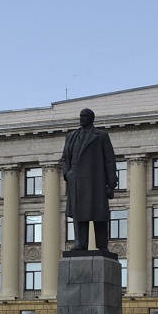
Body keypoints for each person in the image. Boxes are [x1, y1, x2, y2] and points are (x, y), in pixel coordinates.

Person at [60, 107, 118, 257]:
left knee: (99, 214)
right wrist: (67, 173)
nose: (82, 118)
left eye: (85, 116)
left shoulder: (101, 136)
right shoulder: (71, 136)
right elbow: (64, 158)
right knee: (79, 214)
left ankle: (102, 245)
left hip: (95, 181)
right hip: (76, 182)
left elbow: (109, 160)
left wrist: (111, 184)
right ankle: (80, 243)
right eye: (81, 115)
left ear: (91, 118)